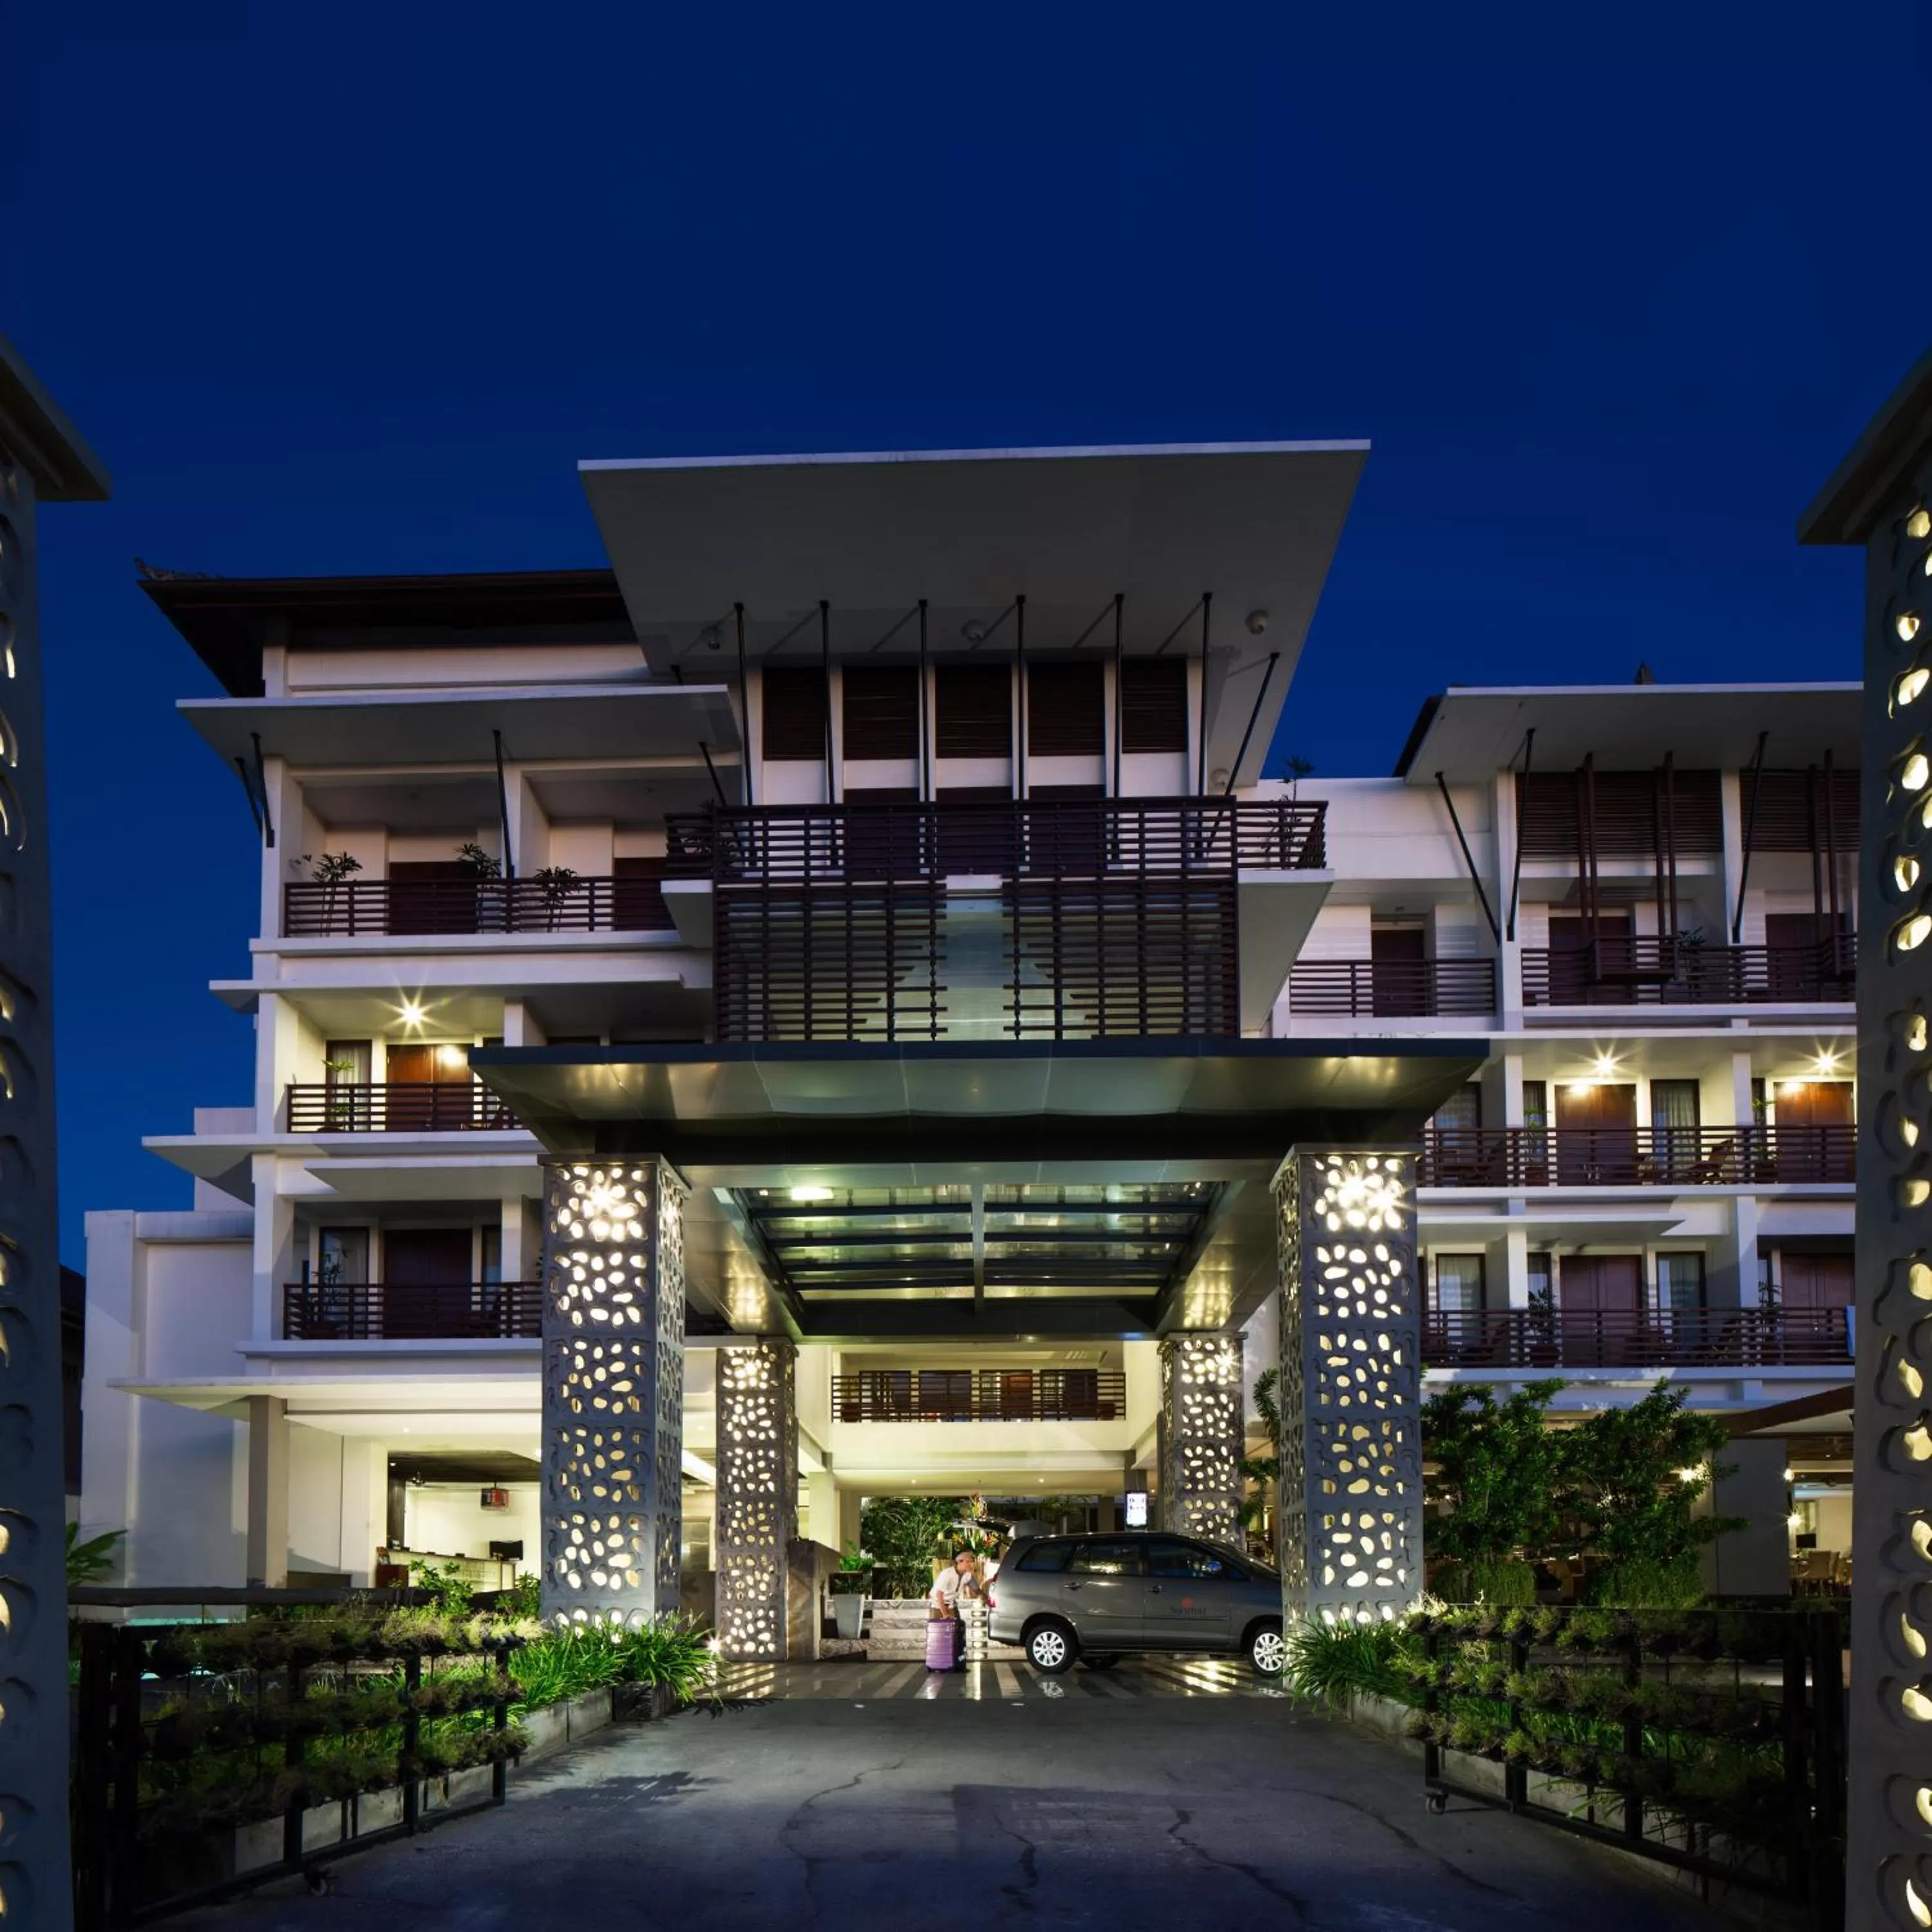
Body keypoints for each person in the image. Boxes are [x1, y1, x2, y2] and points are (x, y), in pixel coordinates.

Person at [928, 1549, 981, 1668]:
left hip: (951, 1604)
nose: (970, 1564)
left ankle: (954, 1662)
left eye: (971, 1562)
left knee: (955, 1634)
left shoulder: (967, 1576)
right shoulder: (947, 1574)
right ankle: (937, 1663)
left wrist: (986, 1598)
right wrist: (945, 1614)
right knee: (939, 1635)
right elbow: (939, 1595)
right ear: (959, 1562)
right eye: (968, 1562)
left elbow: (977, 1590)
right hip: (938, 1605)